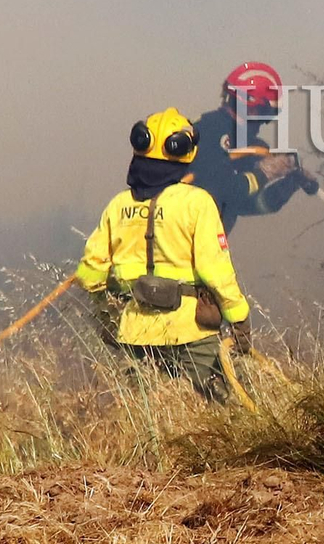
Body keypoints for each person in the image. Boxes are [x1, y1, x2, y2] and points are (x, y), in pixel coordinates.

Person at [77, 107, 252, 403]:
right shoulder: (197, 203)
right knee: (226, 407)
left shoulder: (118, 206)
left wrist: (107, 316)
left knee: (144, 417)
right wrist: (239, 317)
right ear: (184, 152)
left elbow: (90, 273)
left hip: (135, 333)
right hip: (190, 331)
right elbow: (215, 269)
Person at [190, 62, 315, 233]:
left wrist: (291, 183)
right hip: (176, 246)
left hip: (205, 247)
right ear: (250, 107)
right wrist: (264, 173)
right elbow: (221, 191)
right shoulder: (209, 131)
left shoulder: (245, 146)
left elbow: (250, 204)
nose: (264, 122)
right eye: (266, 114)